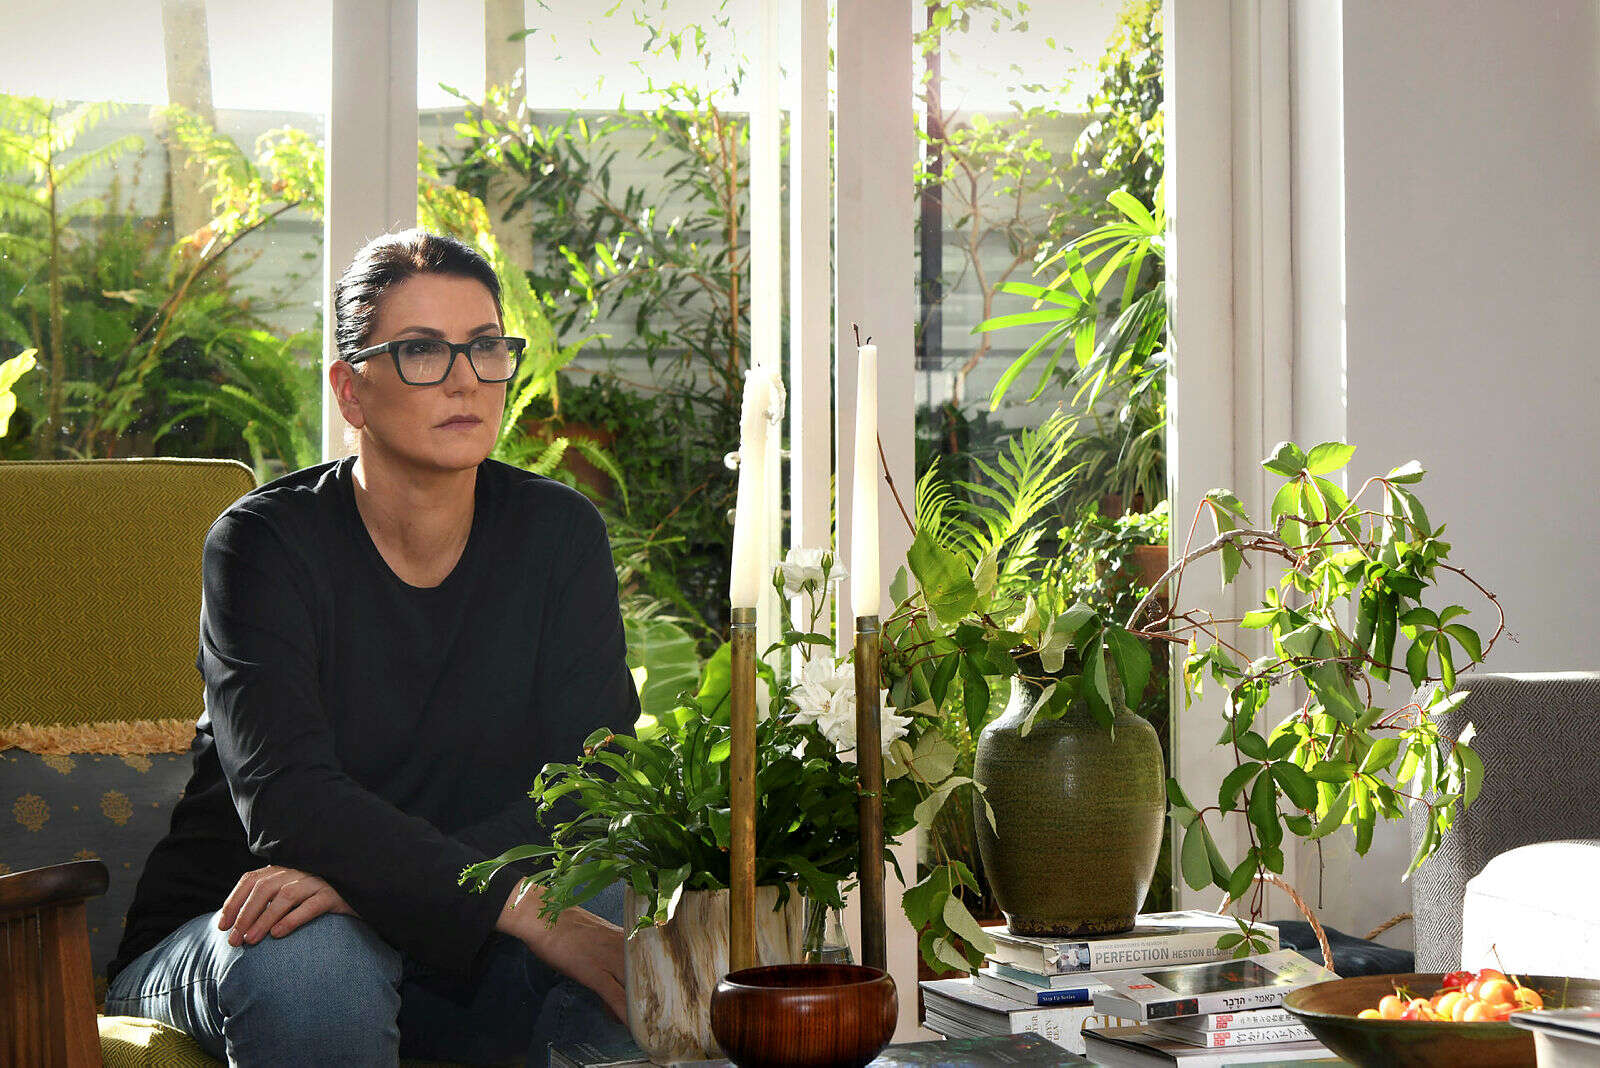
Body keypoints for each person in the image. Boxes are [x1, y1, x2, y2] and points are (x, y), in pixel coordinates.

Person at [104, 229, 639, 1066]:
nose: (465, 379)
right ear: (350, 391)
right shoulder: (262, 547)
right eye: (422, 350)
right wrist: (508, 900)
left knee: (617, 911)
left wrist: (372, 883)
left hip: (434, 930)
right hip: (245, 926)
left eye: (485, 346)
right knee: (316, 963)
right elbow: (292, 806)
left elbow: (592, 781)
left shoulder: (558, 534)